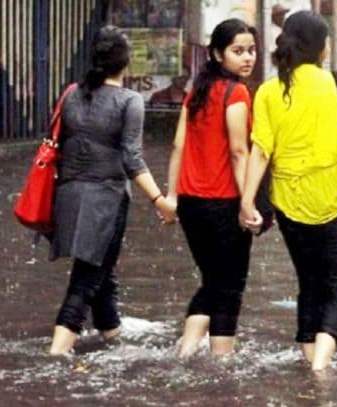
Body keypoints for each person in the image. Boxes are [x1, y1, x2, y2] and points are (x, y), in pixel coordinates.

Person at [239, 11, 337, 370]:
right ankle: (320, 366)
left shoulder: (269, 92)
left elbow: (261, 150)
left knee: (309, 282)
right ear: (321, 48)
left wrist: (247, 200)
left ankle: (309, 357)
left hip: (289, 203)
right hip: (336, 199)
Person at [48, 26, 175, 355]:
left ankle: (111, 334)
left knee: (102, 271)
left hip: (68, 196)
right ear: (126, 62)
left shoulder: (71, 94)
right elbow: (132, 159)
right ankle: (56, 354)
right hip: (105, 201)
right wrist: (159, 200)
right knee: (87, 278)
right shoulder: (129, 101)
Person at [166, 19, 259, 358]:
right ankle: (223, 361)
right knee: (230, 285)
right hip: (224, 203)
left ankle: (186, 350)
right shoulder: (237, 93)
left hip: (191, 203)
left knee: (213, 279)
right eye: (238, 51)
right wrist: (247, 203)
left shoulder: (196, 92)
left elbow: (178, 146)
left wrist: (171, 197)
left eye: (251, 50)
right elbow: (238, 151)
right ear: (219, 54)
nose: (247, 58)